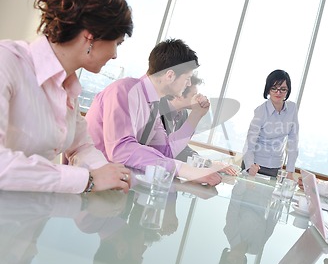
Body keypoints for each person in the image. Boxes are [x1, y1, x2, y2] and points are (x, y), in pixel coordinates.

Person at [0, 0, 133, 193]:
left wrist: (111, 175)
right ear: (91, 35)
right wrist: (88, 180)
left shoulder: (67, 87)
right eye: (117, 43)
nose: (115, 55)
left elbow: (81, 146)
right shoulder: (7, 62)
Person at [86, 39, 235, 186]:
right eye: (187, 78)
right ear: (170, 75)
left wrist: (196, 115)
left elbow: (166, 152)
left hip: (117, 184)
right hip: (91, 183)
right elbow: (121, 149)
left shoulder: (153, 105)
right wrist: (186, 170)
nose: (189, 84)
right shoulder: (124, 91)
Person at [242, 70, 299, 179]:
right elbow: (249, 143)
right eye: (274, 88)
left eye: (283, 89)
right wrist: (250, 167)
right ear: (268, 89)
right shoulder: (261, 111)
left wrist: (290, 171)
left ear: (288, 91)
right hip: (255, 165)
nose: (278, 93)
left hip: (275, 167)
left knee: (268, 195)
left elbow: (293, 141)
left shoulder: (292, 109)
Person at [159, 73, 204, 162]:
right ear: (179, 95)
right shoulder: (158, 109)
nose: (198, 99)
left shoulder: (183, 114)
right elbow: (164, 149)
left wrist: (198, 159)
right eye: (194, 95)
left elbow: (180, 146)